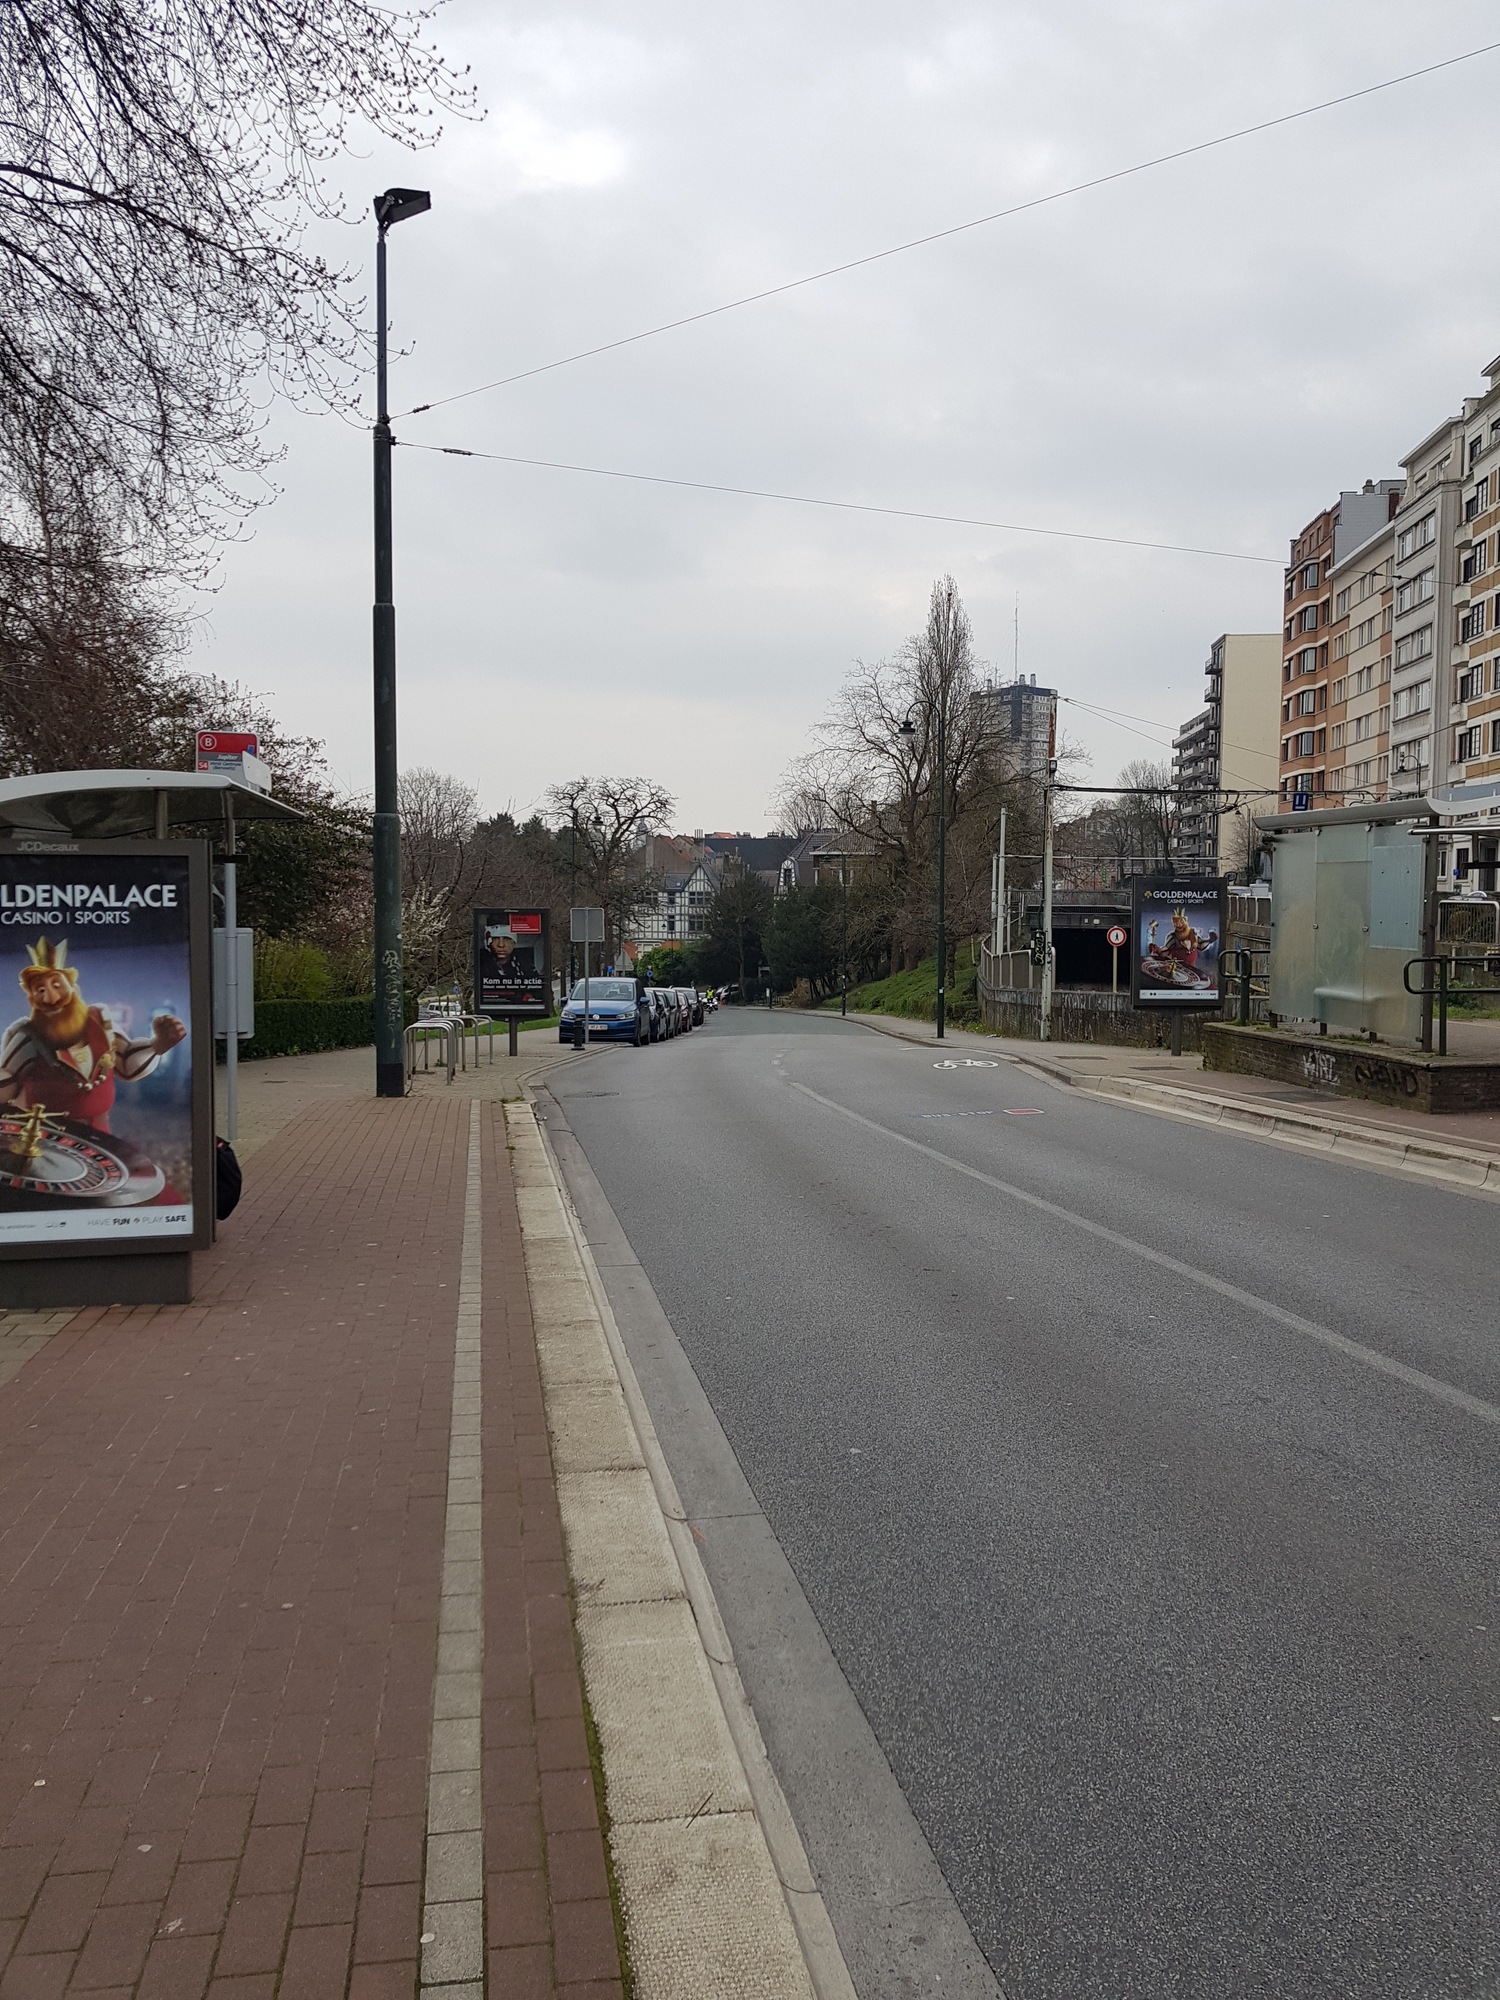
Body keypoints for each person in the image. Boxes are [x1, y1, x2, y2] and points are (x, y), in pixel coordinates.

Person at [0, 935, 185, 1134]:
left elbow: (127, 1065)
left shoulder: (102, 1022)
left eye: (56, 986)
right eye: (41, 990)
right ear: (32, 1000)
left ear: (74, 990)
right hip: (44, 1135)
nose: (50, 998)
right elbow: (7, 1081)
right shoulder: (27, 1035)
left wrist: (158, 1044)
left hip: (99, 1134)